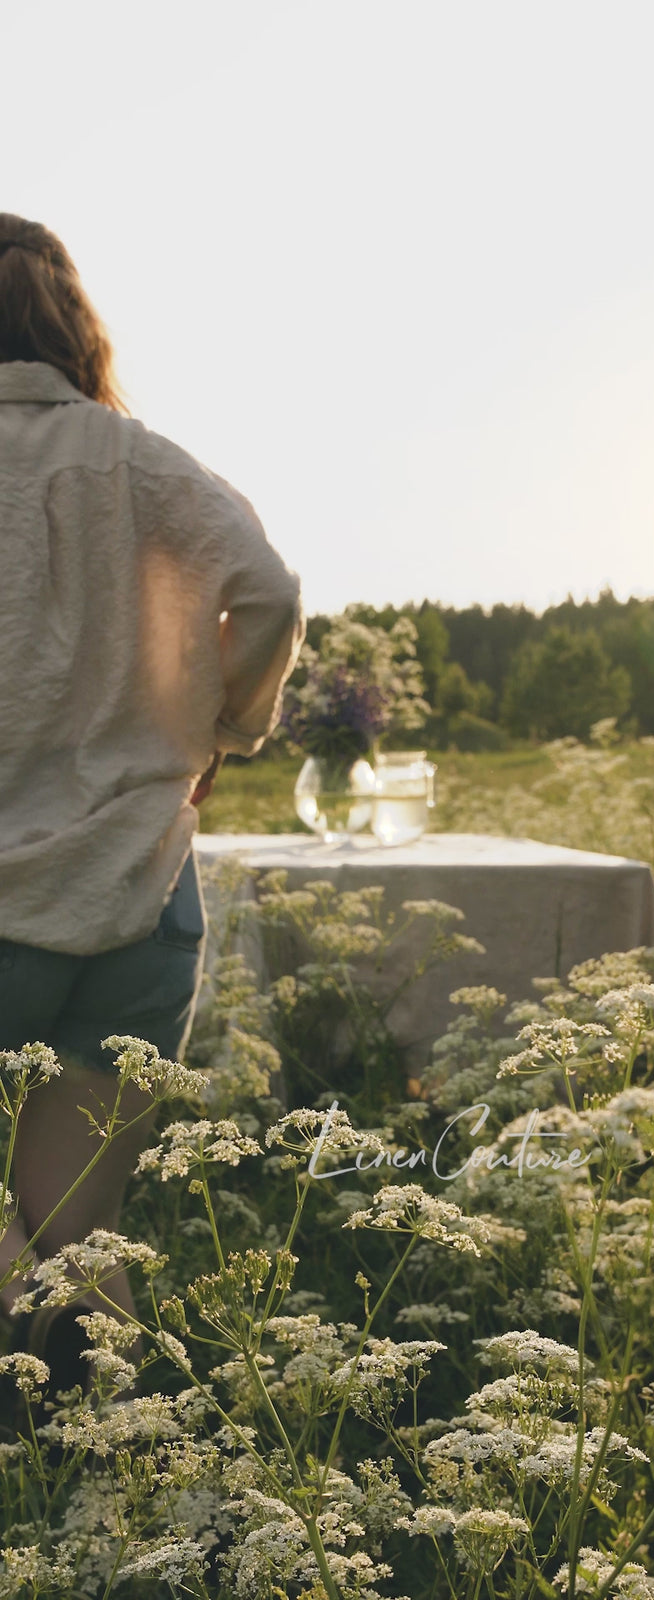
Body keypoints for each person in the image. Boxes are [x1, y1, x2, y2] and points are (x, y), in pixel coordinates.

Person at [0, 214, 303, 1386]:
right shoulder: (147, 461)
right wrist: (226, 726)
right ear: (74, 322)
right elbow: (268, 591)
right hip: (138, 895)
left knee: (28, 1244)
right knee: (84, 1234)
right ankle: (132, 1476)